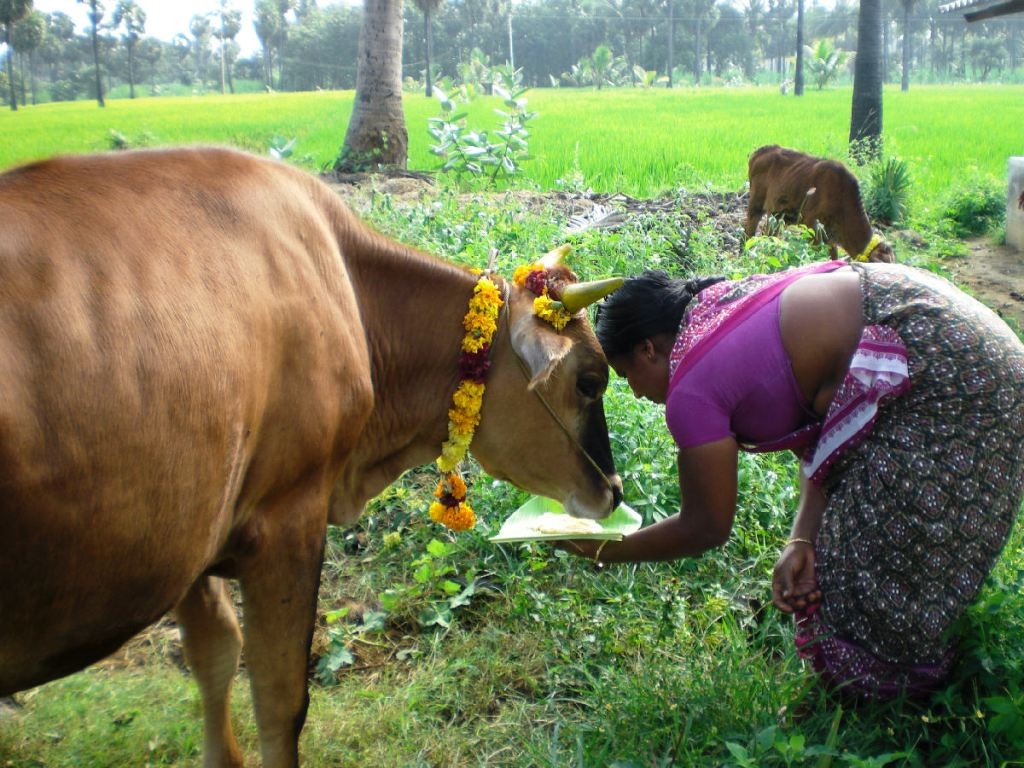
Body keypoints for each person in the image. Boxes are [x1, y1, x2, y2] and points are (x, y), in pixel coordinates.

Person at [562, 259, 1024, 699]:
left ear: (649, 348)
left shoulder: (691, 387)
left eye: (627, 376)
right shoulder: (720, 307)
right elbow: (828, 434)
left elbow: (705, 526)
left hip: (957, 375)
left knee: (863, 569)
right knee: (837, 540)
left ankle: (884, 701)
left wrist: (604, 547)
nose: (639, 394)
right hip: (956, 332)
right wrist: (801, 538)